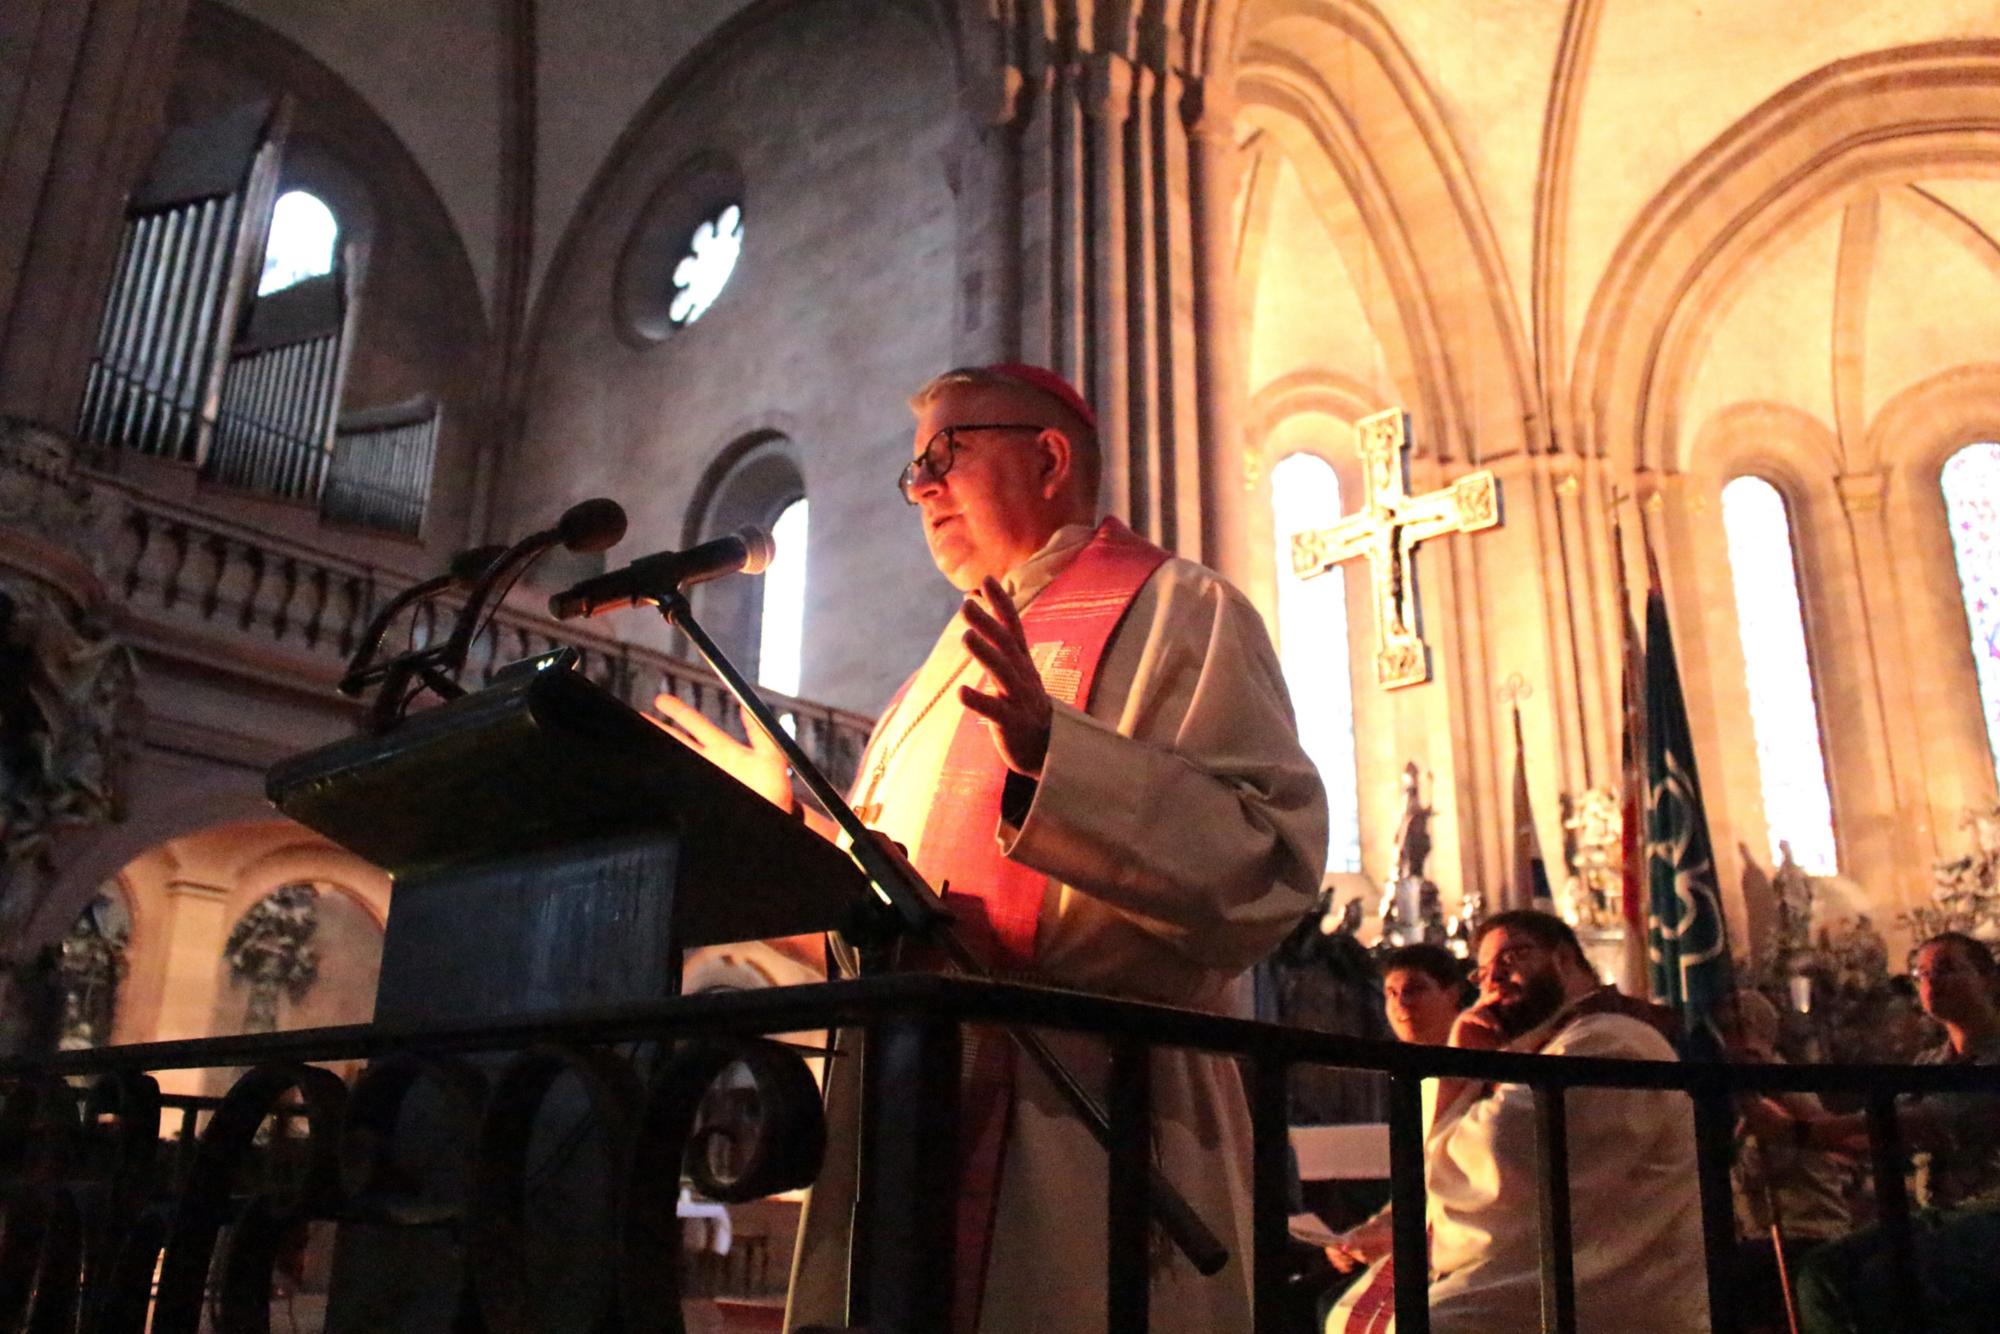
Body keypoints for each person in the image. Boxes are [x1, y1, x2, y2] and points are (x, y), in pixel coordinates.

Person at [654, 363, 1329, 1333]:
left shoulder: (1181, 607)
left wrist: (1053, 755)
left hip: (1090, 1112)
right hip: (904, 1105)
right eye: (913, 470)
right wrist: (785, 827)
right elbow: (893, 921)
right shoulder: (933, 677)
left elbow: (1267, 865)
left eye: (946, 454)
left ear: (1049, 458)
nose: (922, 486)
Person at [1421, 909, 1709, 1332]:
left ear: (1564, 958)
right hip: (1565, 1268)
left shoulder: (1610, 1041)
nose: (1493, 979)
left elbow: (1503, 1154)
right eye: (1481, 974)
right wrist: (1464, 1061)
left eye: (1511, 957)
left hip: (1615, 1286)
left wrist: (1458, 1074)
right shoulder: (1552, 1046)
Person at [1786, 932, 2000, 1333]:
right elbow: (1874, 1135)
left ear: (1988, 978)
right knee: (1820, 1275)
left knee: (1888, 1281)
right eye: (1921, 974)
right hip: (1937, 1213)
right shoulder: (1930, 1064)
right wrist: (1780, 1112)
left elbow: (1924, 1121)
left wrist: (1800, 1129)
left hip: (1990, 1209)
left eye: (1946, 969)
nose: (1931, 982)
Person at [1319, 944, 1466, 1333]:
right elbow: (1415, 1181)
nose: (1401, 1004)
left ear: (1452, 993)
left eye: (1415, 989)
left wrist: (1397, 1234)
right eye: (1391, 993)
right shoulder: (1416, 1078)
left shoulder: (1474, 1074)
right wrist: (1364, 1233)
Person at [1717, 989, 1851, 1333]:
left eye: (1724, 1029)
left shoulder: (1777, 1089)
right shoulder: (1758, 1087)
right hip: (1766, 1236)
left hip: (1803, 1233)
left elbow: (1755, 1169)